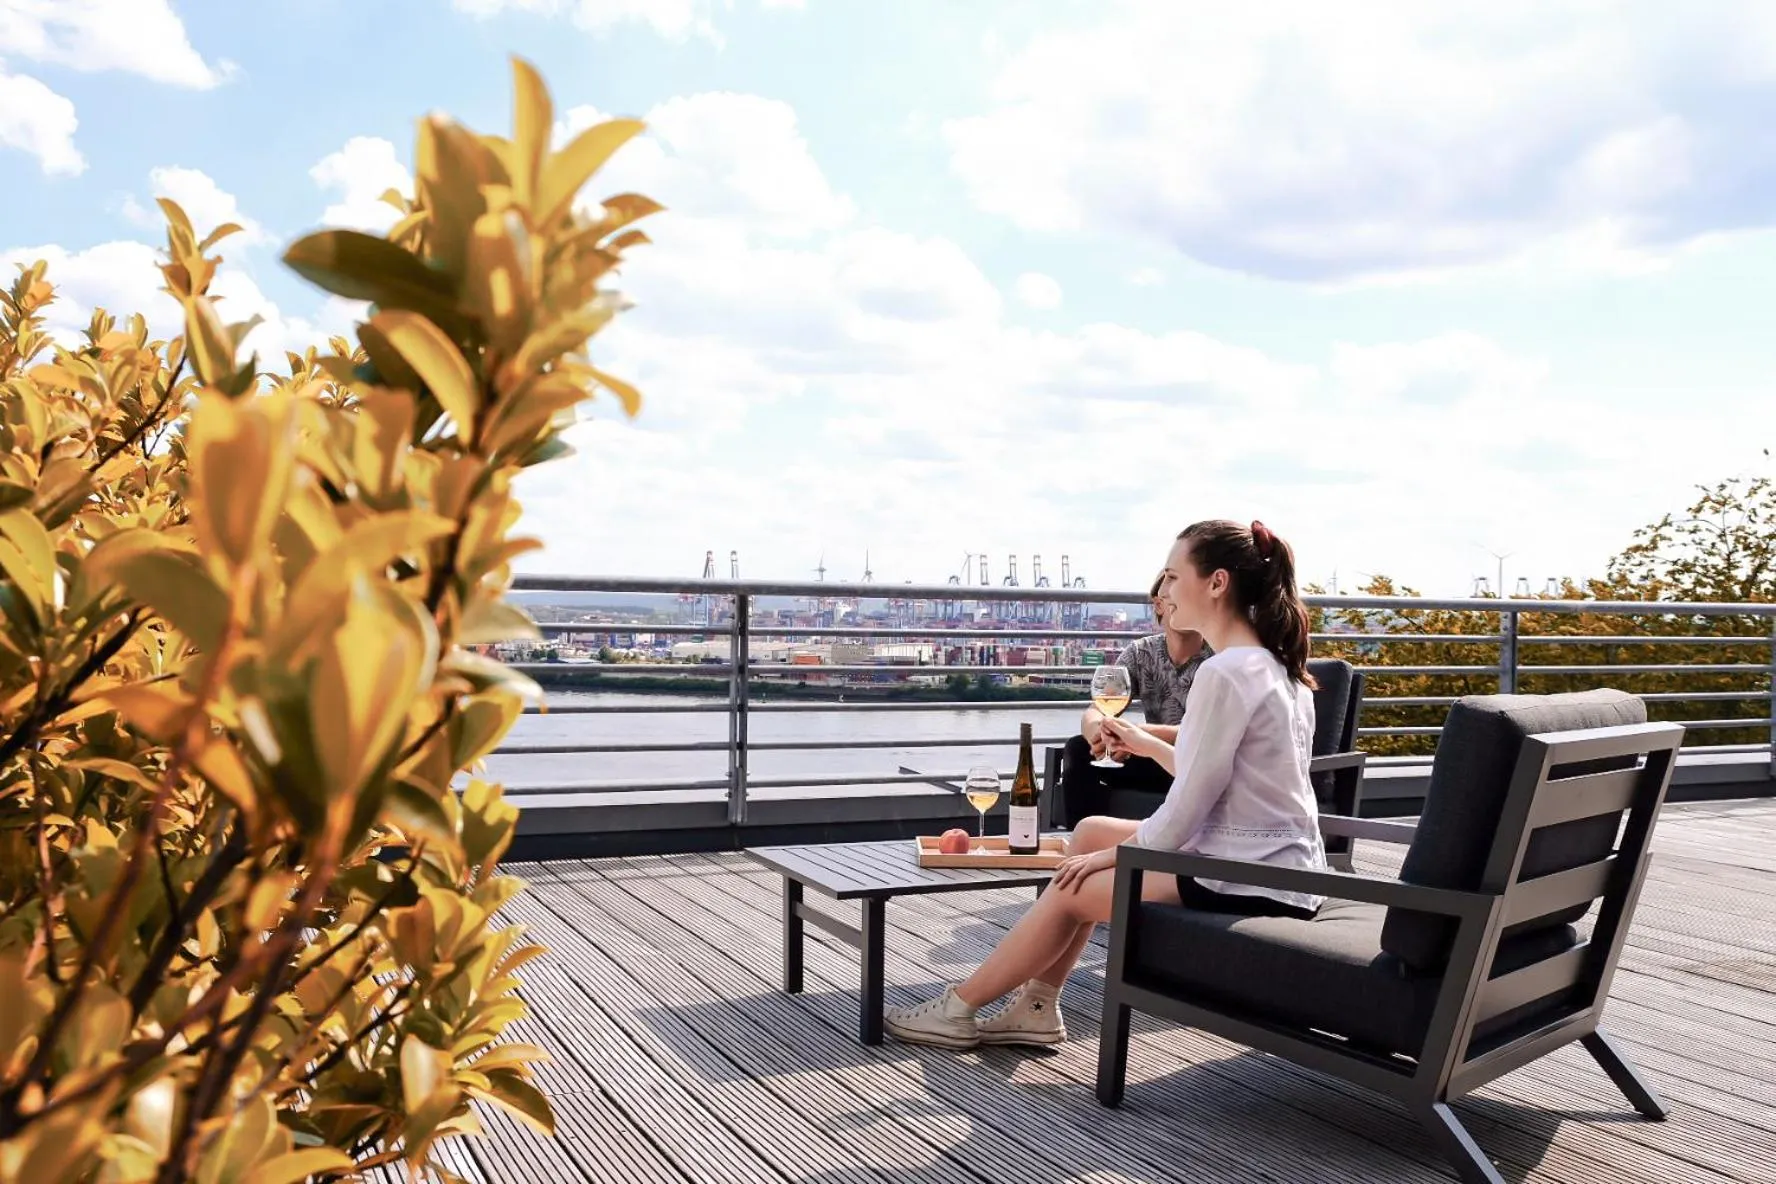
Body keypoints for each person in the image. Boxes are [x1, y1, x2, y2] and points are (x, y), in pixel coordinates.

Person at [883, 519, 1326, 1050]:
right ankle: (1037, 1007)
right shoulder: (1278, 669)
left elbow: (1187, 810)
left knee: (1072, 886)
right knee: (1090, 829)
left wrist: (1115, 857)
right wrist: (1146, 746)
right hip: (1280, 866)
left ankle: (959, 1008)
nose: (1162, 592)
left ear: (1217, 583)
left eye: (1171, 576)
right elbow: (1219, 774)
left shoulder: (1225, 672)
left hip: (1244, 876)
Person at [1059, 573, 1213, 827]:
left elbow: (1206, 732)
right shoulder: (1141, 653)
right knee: (1079, 749)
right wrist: (1101, 734)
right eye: (1172, 598)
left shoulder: (1217, 658)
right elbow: (1096, 709)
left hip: (1197, 764)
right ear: (1158, 605)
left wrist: (1135, 735)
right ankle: (1082, 841)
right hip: (1153, 759)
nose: (1180, 603)